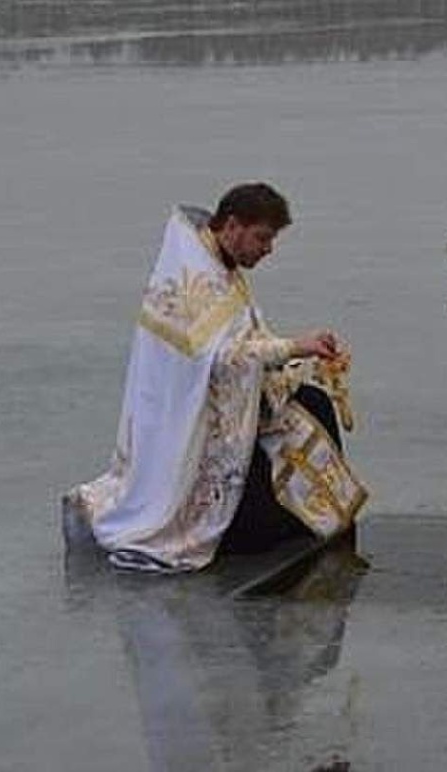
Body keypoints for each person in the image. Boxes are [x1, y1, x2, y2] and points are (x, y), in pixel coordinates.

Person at [66, 183, 367, 572]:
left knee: (312, 402)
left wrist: (294, 360)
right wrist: (293, 348)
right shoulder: (195, 279)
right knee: (271, 517)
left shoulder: (217, 264)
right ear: (233, 226)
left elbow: (241, 342)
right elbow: (223, 359)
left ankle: (316, 522)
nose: (268, 249)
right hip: (192, 426)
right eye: (262, 237)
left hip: (228, 405)